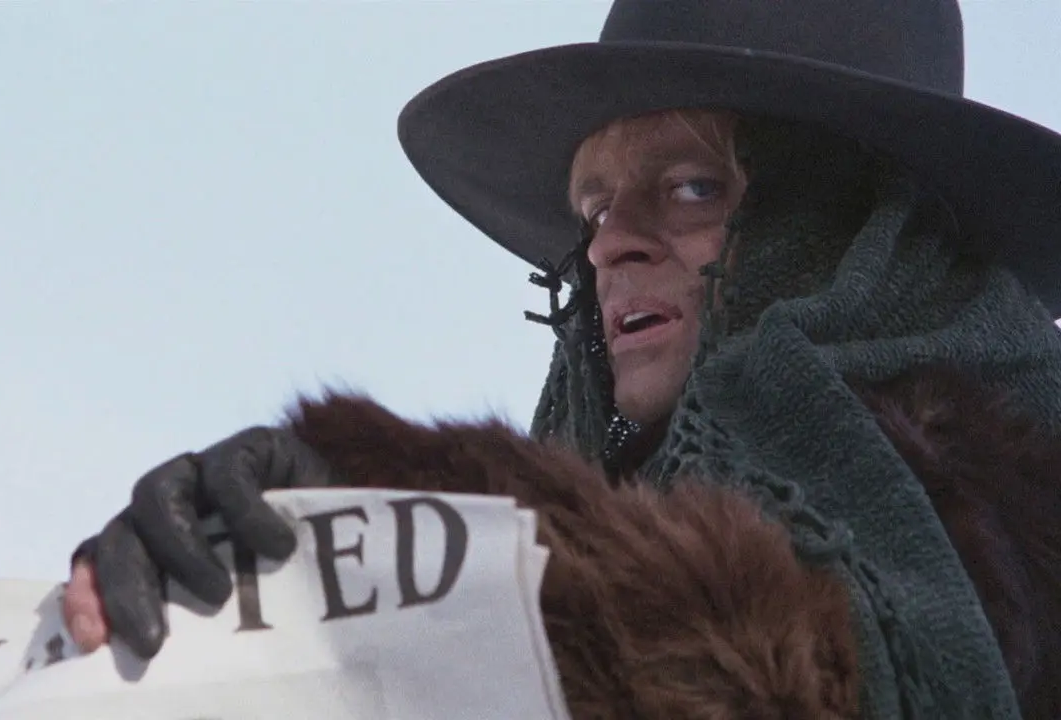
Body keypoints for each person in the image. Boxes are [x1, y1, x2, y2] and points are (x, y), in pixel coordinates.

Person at [58, 0, 1061, 717]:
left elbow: (780, 667)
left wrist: (378, 501)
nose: (607, 243)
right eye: (594, 204)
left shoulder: (1003, 499)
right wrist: (262, 588)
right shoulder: (643, 493)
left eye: (692, 188)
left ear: (852, 227)